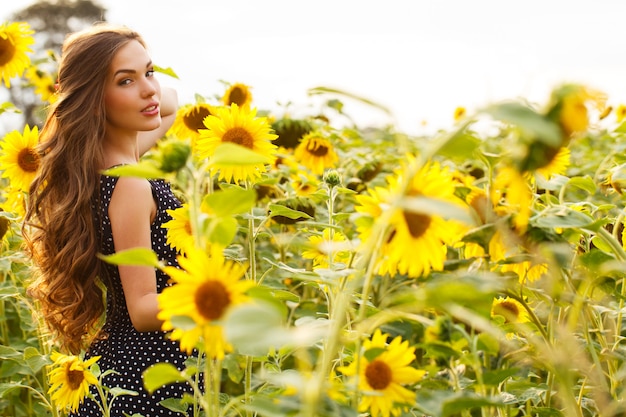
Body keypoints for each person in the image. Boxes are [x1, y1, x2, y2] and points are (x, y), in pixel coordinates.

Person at [23, 23, 194, 416]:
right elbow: (144, 308)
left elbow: (169, 104)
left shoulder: (105, 165)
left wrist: (137, 84)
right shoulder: (130, 185)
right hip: (148, 379)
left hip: (130, 370)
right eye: (124, 81)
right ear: (95, 98)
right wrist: (214, 298)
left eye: (149, 72)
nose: (150, 89)